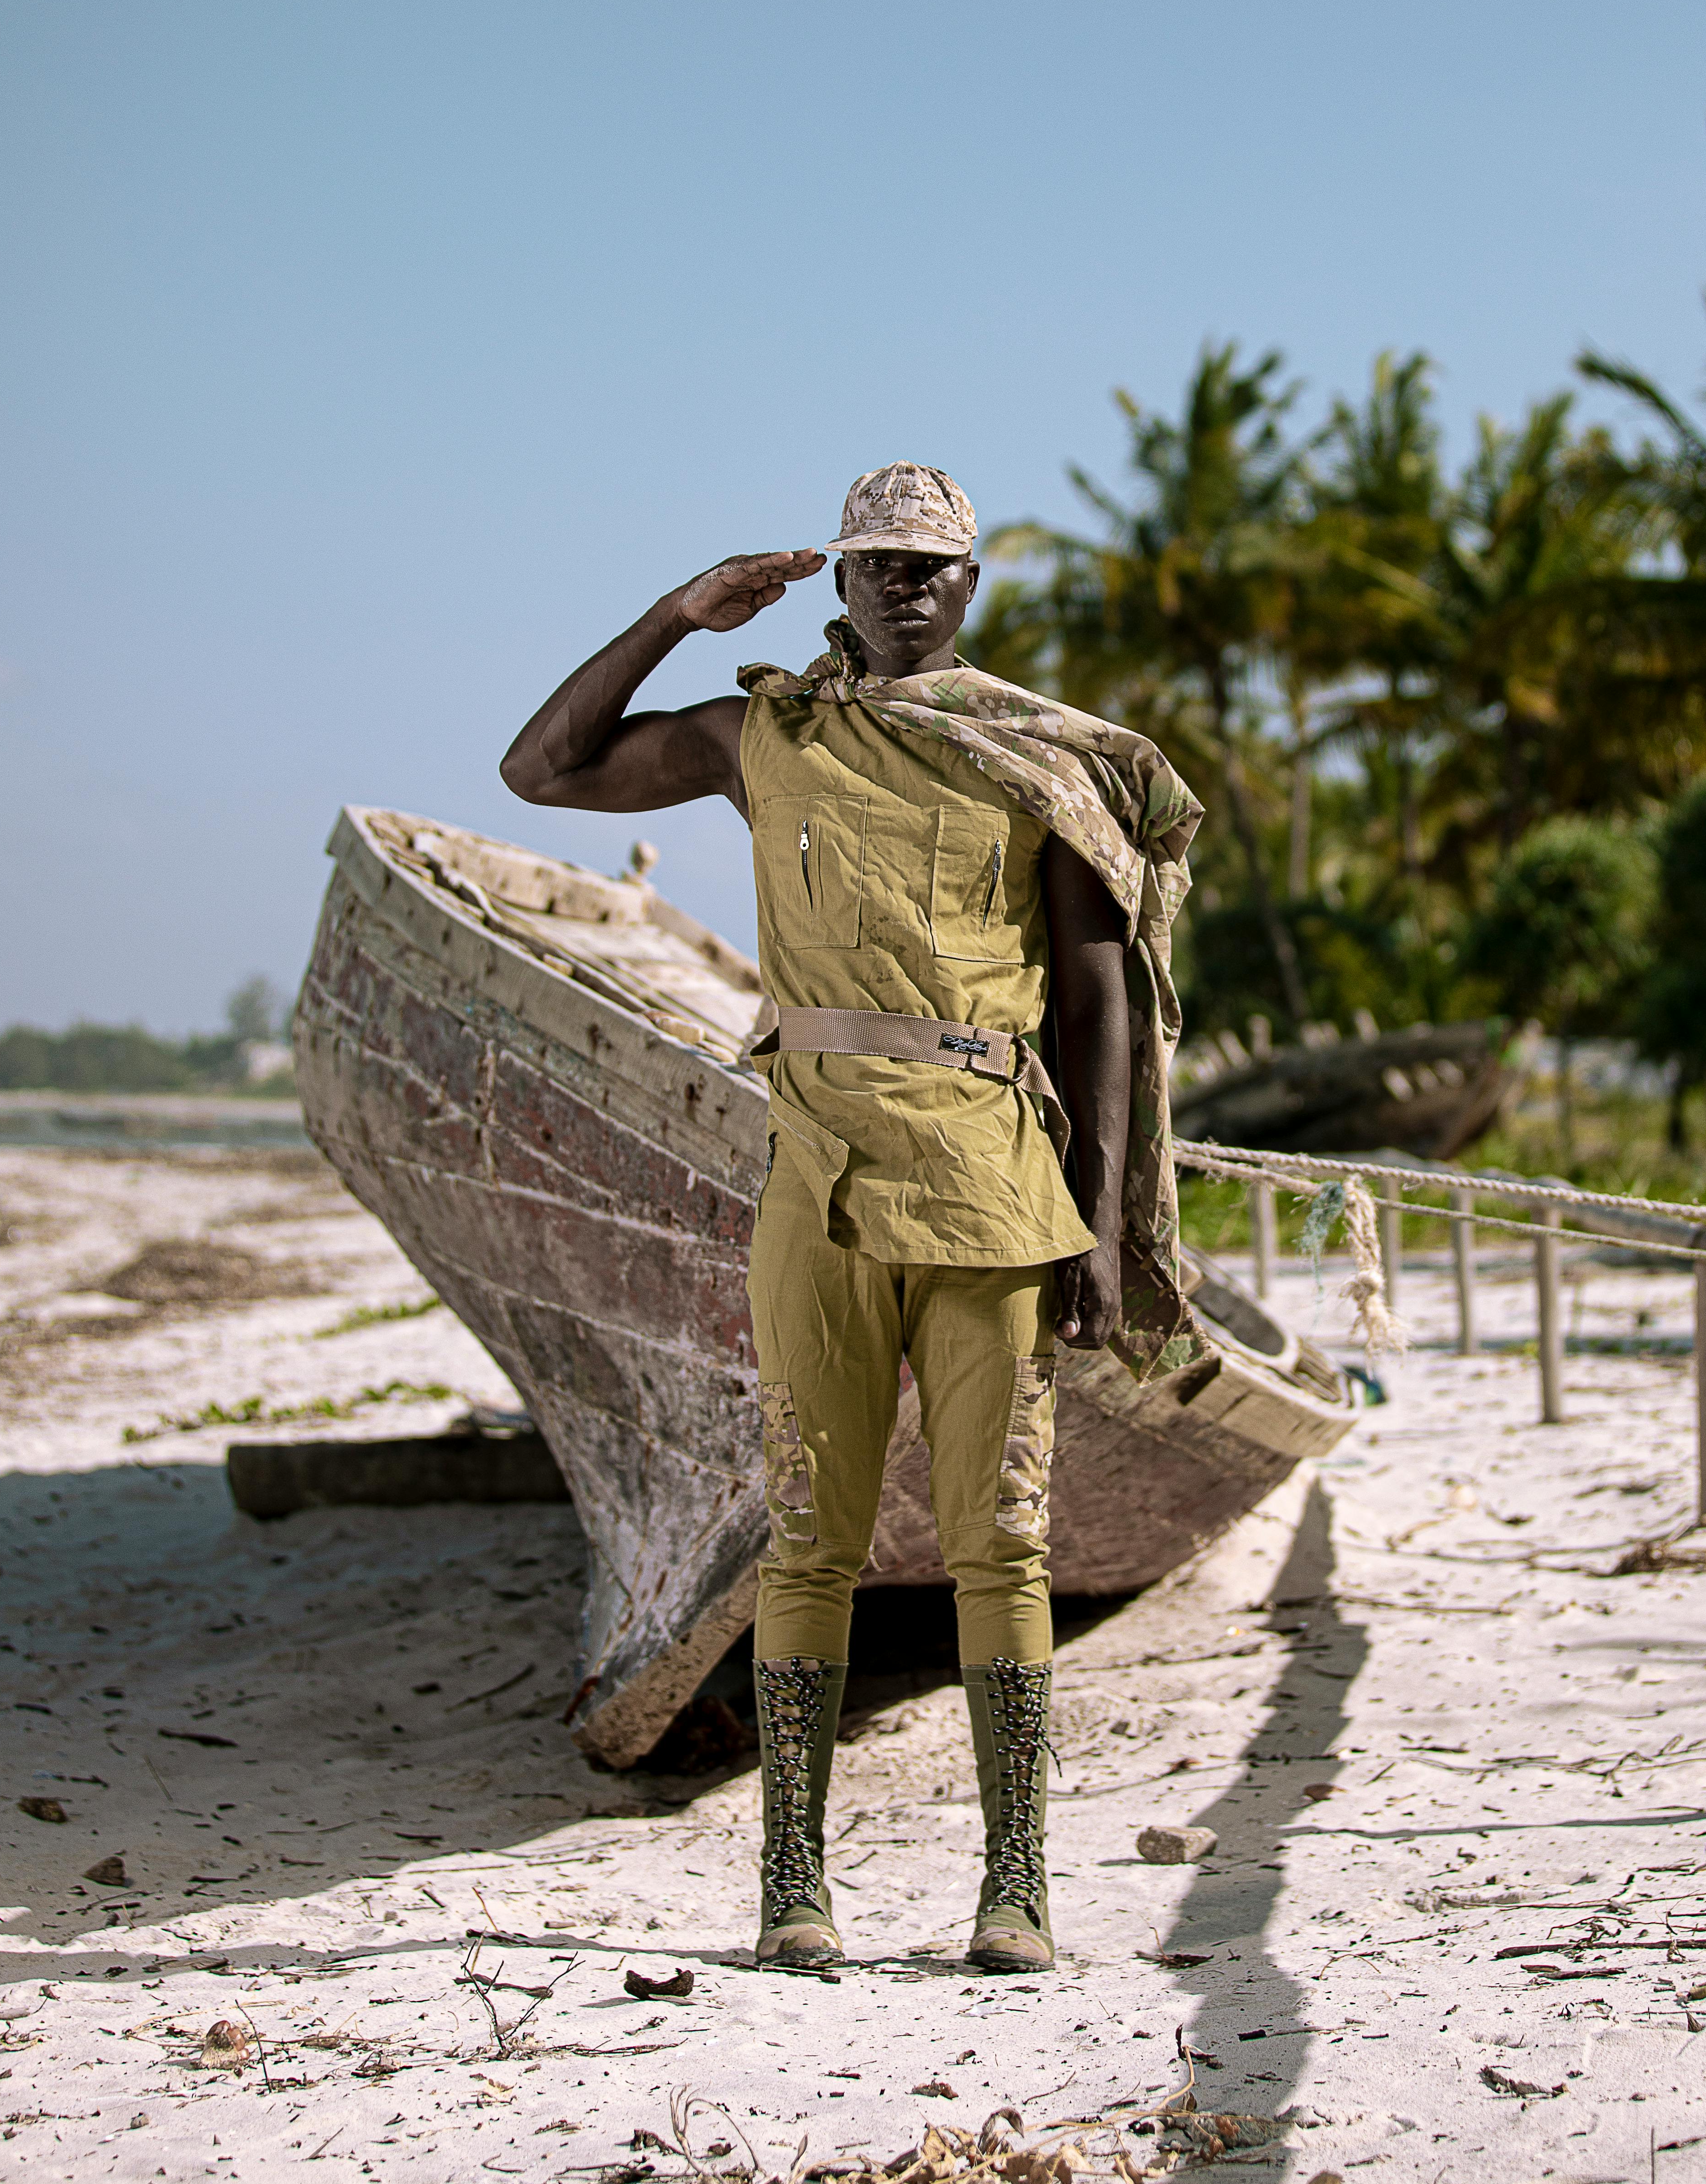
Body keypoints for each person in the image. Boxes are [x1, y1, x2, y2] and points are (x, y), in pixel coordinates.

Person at [501, 462, 1199, 1975]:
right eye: (876, 561)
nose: (900, 585)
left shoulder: (1039, 760)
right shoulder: (773, 736)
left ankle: (1015, 1890)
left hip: (994, 1183)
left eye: (929, 566)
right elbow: (543, 771)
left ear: (970, 586)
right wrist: (677, 617)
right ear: (839, 583)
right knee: (809, 1541)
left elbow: (1098, 998)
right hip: (817, 1189)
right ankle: (793, 1891)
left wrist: (1104, 1230)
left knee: (997, 1546)